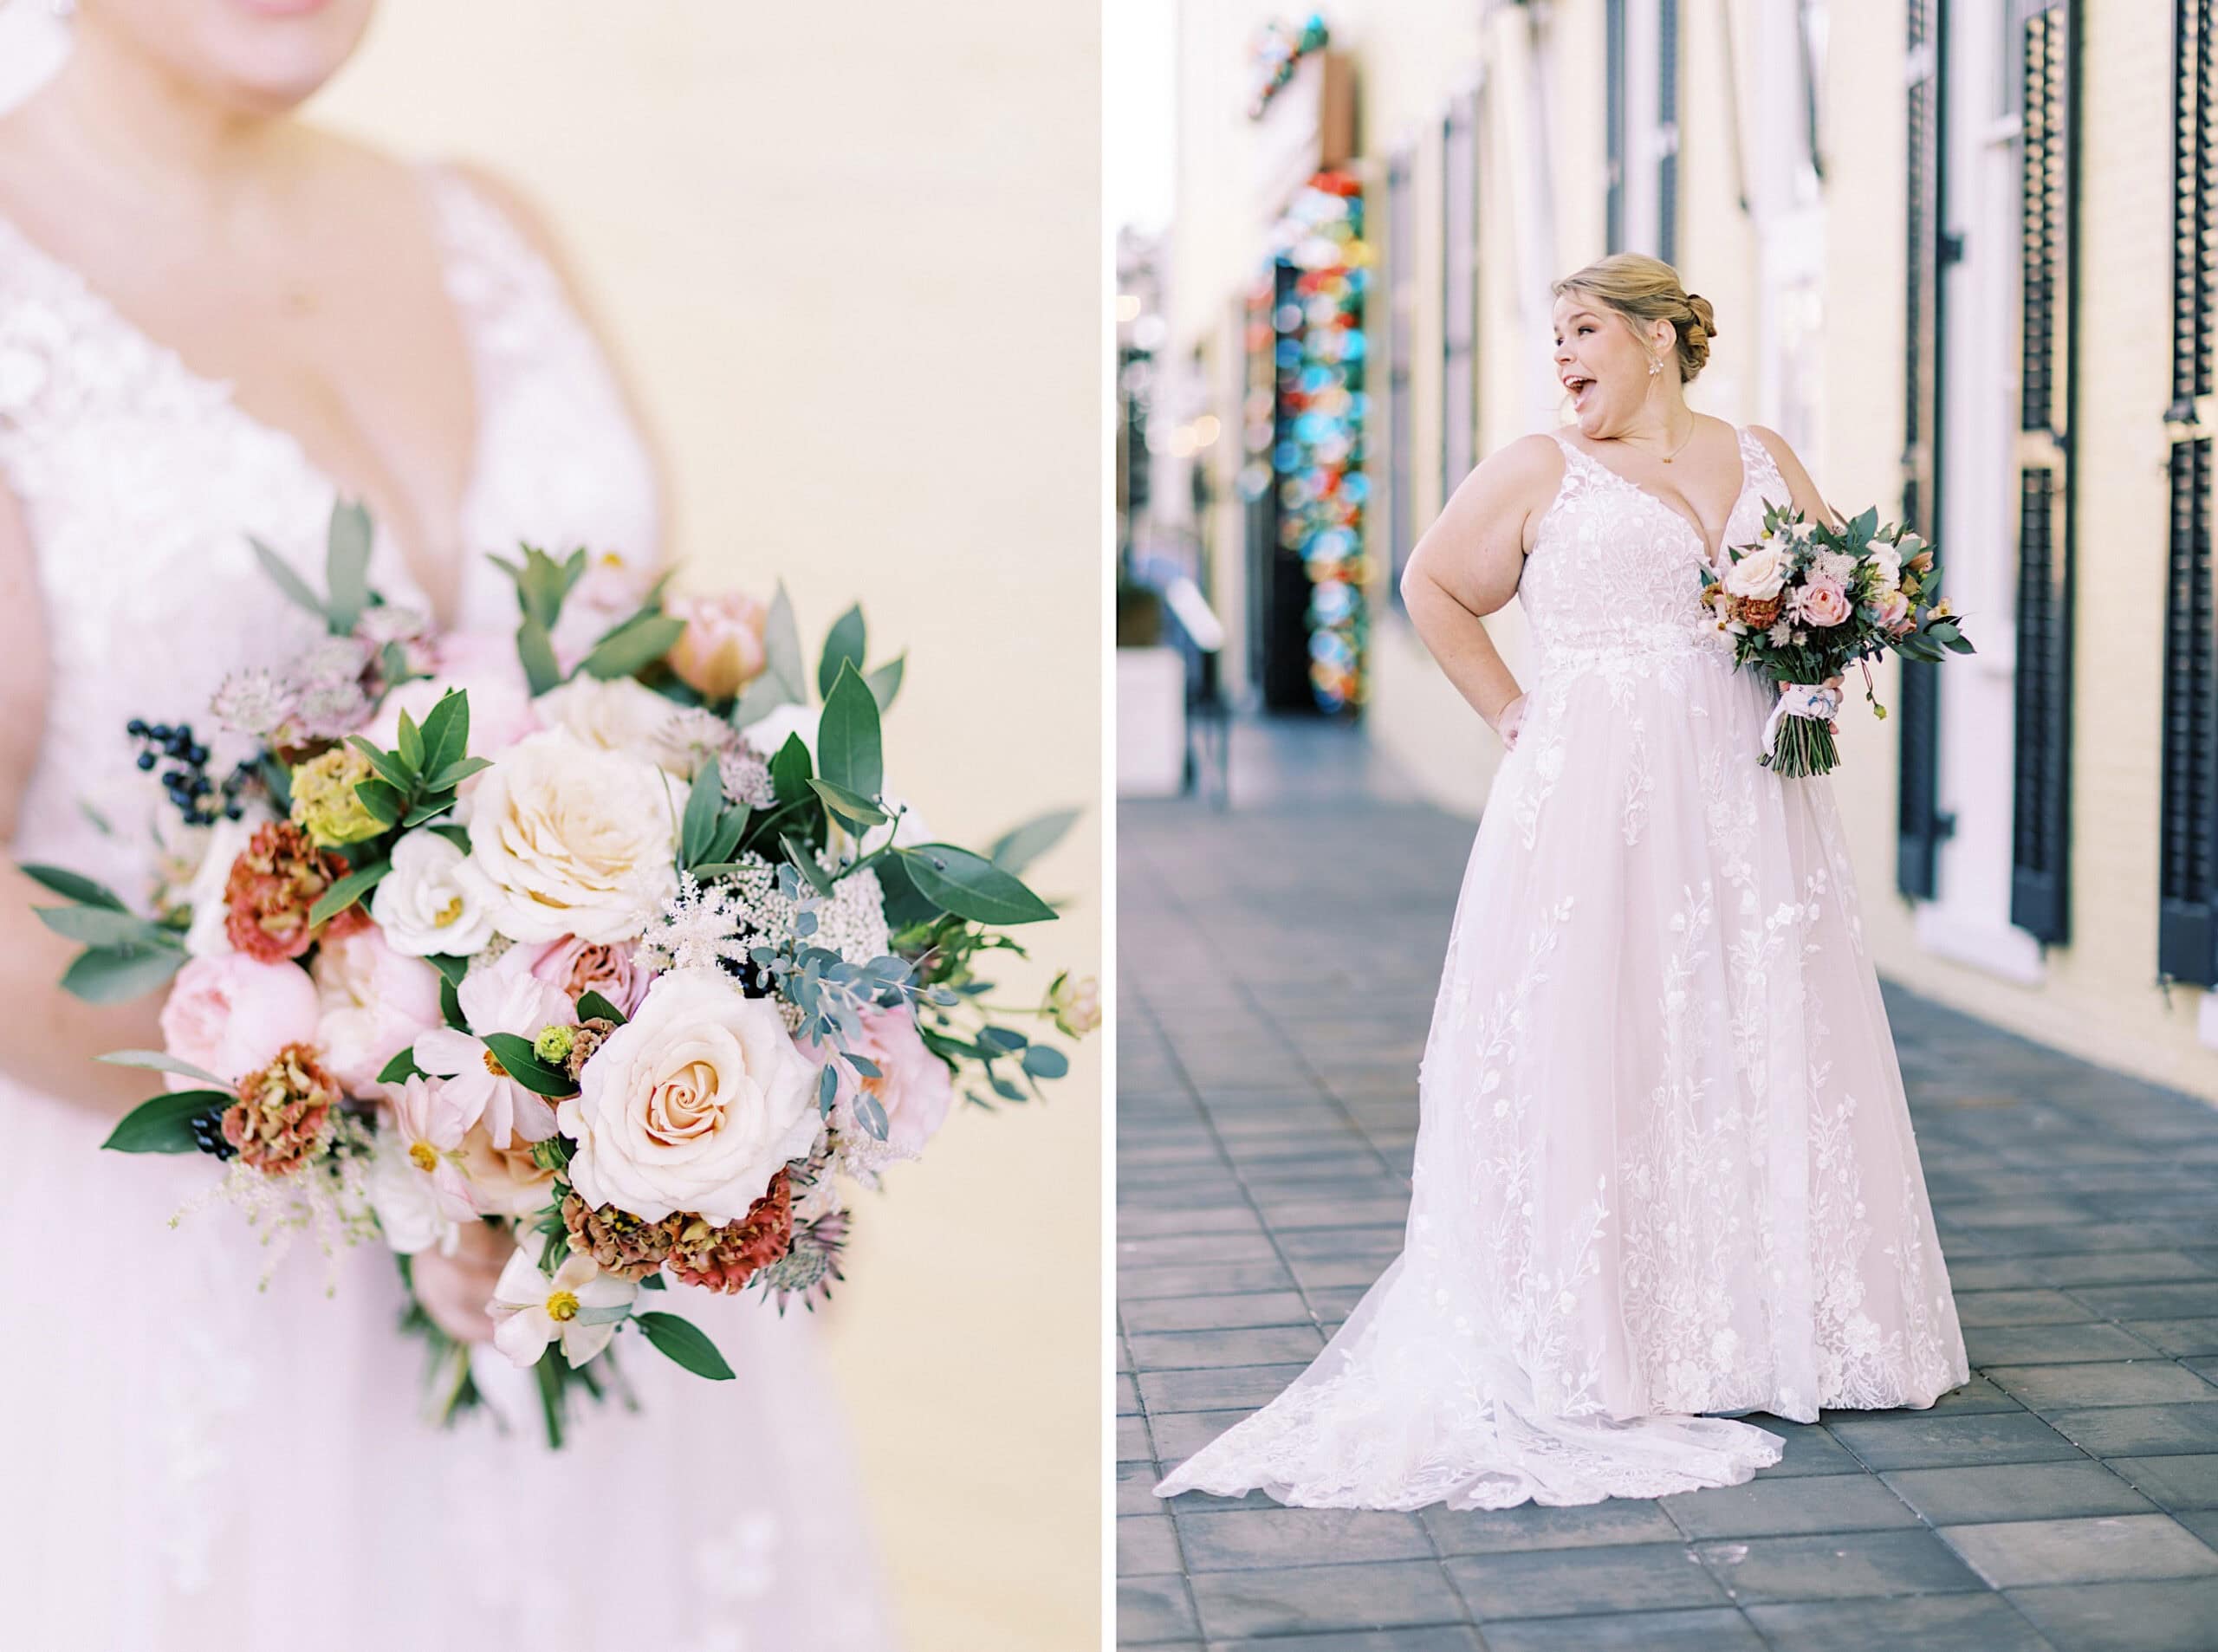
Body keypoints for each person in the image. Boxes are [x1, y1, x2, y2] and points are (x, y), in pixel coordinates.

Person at [0, 3, 894, 1644]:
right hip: (202, 1280)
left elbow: (654, 703)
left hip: (573, 1267)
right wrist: (413, 1137)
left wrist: (703, 1084)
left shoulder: (492, 226)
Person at [1156, 253, 1969, 1512]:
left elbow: (1839, 592)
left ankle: (1768, 1327)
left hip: (1751, 799)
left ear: (1657, 338)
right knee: (1608, 1029)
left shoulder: (1758, 454)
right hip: (1593, 799)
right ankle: (1614, 1332)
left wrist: (1818, 666)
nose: (1564, 358)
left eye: (1583, 331)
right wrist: (1514, 714)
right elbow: (1432, 585)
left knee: (1758, 1025)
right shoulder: (1540, 469)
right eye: (1554, 339)